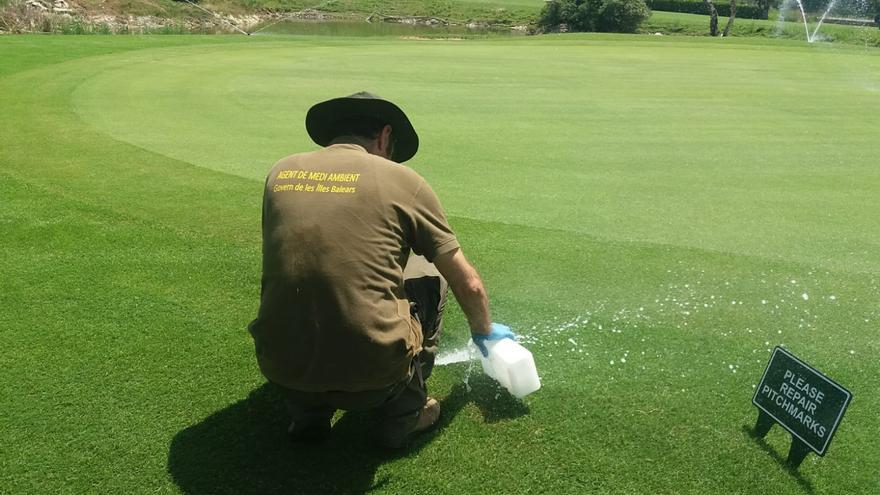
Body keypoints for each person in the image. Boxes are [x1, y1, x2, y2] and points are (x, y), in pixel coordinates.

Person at [248, 91, 515, 448]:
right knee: (430, 271)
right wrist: (486, 335)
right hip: (374, 380)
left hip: (281, 370)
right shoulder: (403, 180)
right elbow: (469, 283)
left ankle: (308, 414)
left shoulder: (280, 172)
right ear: (384, 136)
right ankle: (404, 413)